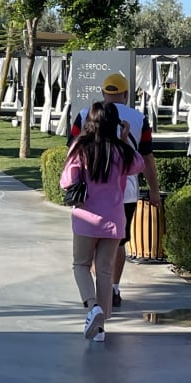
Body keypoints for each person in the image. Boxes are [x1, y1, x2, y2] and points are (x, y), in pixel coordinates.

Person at [68, 72, 161, 306]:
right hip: (124, 195)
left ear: (103, 93)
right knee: (117, 245)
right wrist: (154, 190)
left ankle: (93, 301)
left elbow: (71, 150)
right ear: (126, 94)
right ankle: (113, 288)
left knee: (85, 254)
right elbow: (146, 158)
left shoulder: (84, 114)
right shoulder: (139, 118)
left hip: (88, 200)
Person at [60, 101, 144, 342]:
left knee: (81, 265)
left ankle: (92, 307)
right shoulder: (121, 150)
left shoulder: (81, 147)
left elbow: (67, 181)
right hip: (114, 219)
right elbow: (138, 165)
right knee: (105, 272)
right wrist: (125, 139)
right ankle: (100, 328)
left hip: (86, 218)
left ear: (90, 122)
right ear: (115, 124)